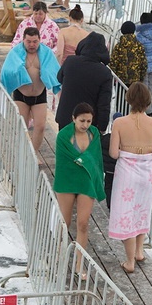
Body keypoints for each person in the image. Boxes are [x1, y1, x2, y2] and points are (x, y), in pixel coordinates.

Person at [108, 82, 152, 274]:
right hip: (148, 172)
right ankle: (140, 252)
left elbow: (113, 153)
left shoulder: (119, 123)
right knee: (142, 211)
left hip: (127, 172)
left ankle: (129, 260)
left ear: (129, 100)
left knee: (126, 215)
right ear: (148, 101)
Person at [53, 102, 106, 258]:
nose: (85, 125)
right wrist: (84, 161)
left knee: (83, 224)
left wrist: (83, 162)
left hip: (86, 181)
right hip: (67, 180)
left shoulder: (94, 134)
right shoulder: (63, 135)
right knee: (65, 222)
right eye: (82, 120)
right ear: (73, 119)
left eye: (89, 121)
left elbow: (95, 158)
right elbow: (66, 161)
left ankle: (79, 263)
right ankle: (57, 255)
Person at [0, 27, 61, 154]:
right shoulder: (15, 53)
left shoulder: (46, 53)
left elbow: (55, 70)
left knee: (40, 126)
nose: (32, 45)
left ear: (39, 40)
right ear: (23, 40)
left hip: (39, 95)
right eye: (29, 41)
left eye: (35, 41)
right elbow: (6, 71)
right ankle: (22, 152)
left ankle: (33, 153)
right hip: (21, 95)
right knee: (22, 126)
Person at [56, 31, 112, 132]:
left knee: (64, 147)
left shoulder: (70, 61)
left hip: (65, 118)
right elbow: (104, 104)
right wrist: (103, 127)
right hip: (88, 123)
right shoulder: (104, 73)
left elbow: (59, 78)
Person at [110, 21, 147, 88]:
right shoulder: (139, 46)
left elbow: (113, 63)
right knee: (133, 98)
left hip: (120, 81)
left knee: (120, 98)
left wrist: (112, 77)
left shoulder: (119, 46)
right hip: (135, 81)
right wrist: (141, 78)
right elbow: (143, 63)